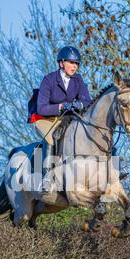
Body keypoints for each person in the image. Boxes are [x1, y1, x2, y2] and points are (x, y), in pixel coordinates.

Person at [35, 46, 92, 194]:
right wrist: (60, 106)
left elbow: (87, 101)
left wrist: (80, 104)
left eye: (76, 63)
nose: (75, 66)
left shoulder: (78, 80)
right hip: (48, 118)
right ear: (61, 63)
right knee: (52, 137)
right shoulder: (49, 80)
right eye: (71, 63)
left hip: (69, 118)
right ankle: (47, 176)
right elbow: (41, 107)